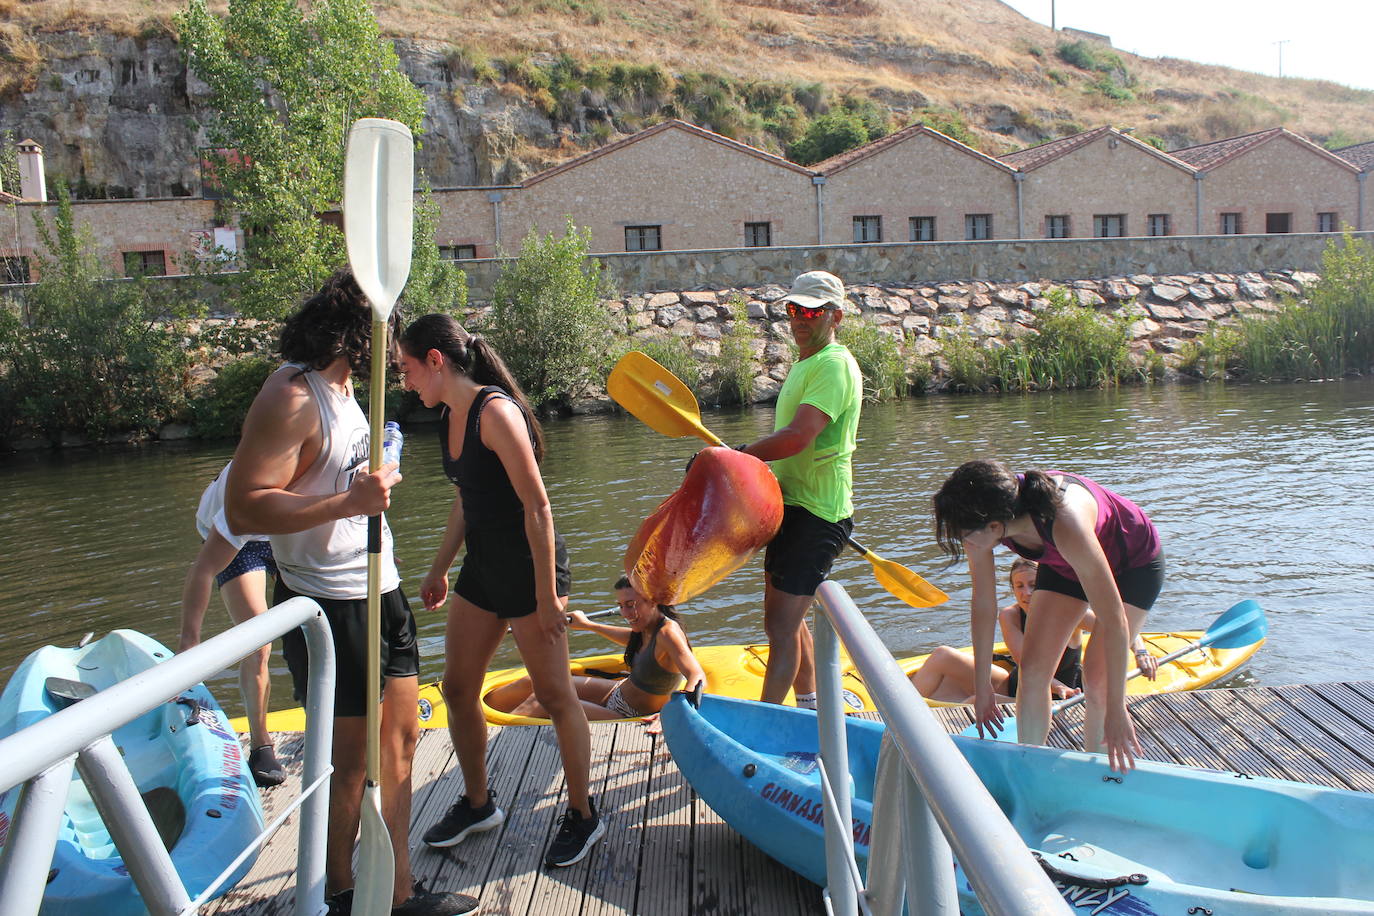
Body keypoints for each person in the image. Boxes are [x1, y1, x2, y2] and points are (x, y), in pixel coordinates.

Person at [225, 270, 476, 916]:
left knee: (401, 743)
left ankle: (396, 892)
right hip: (331, 606)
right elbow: (243, 507)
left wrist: (374, 477)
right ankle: (340, 895)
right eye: (388, 332)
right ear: (361, 331)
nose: (397, 355)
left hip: (380, 588)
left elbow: (333, 478)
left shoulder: (345, 389)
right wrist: (349, 499)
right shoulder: (291, 394)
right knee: (350, 767)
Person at [395, 314, 602, 869]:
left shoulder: (496, 413)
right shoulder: (449, 416)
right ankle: (479, 802)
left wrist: (547, 597)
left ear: (436, 360)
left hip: (531, 572)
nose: (404, 380)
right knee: (458, 688)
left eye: (407, 367)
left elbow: (538, 507)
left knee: (557, 696)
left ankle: (584, 815)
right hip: (483, 569)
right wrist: (440, 567)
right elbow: (467, 498)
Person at [932, 459, 1165, 773]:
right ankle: (1029, 769)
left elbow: (1113, 620)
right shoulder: (988, 517)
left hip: (1131, 563)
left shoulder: (1066, 521)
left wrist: (1116, 709)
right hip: (1064, 563)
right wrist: (983, 687)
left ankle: (1100, 771)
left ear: (995, 526)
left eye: (966, 535)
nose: (964, 542)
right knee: (1032, 669)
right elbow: (984, 604)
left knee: (1098, 678)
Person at [735, 270, 862, 708]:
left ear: (835, 316)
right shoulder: (808, 363)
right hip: (791, 507)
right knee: (787, 621)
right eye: (794, 309)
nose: (800, 319)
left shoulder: (834, 365)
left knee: (781, 628)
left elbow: (798, 436)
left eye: (812, 310)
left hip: (818, 513)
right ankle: (809, 704)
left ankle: (766, 720)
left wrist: (740, 456)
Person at [909, 557, 1159, 703]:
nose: (1026, 593)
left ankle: (913, 716)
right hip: (1016, 683)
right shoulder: (1010, 615)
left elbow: (1119, 626)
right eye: (1019, 586)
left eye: (1033, 584)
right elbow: (1024, 662)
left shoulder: (1070, 613)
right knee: (942, 655)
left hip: (1053, 695)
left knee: (972, 702)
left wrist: (1140, 653)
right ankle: (897, 711)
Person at [177, 460, 285, 787]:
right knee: (259, 640)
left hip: (286, 528)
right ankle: (261, 744)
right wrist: (189, 642)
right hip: (238, 534)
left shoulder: (321, 467)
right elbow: (203, 569)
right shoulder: (244, 499)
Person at [485, 576, 706, 730]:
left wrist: (675, 715)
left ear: (653, 601)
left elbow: (696, 676)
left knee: (542, 701)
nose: (626, 613)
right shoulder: (646, 628)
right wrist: (589, 625)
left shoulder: (668, 633)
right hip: (617, 693)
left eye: (631, 604)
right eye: (621, 606)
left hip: (630, 713)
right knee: (536, 682)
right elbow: (632, 639)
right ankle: (484, 715)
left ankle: (493, 743)